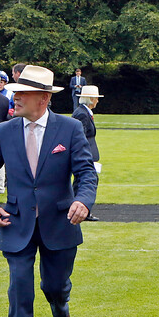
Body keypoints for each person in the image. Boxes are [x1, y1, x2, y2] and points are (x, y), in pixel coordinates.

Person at [0, 65, 98, 317]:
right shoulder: (3, 132)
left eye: (21, 94)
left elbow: (85, 174)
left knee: (54, 286)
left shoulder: (69, 129)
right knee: (19, 289)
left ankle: (60, 312)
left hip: (60, 224)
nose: (13, 98)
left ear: (43, 99)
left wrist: (83, 201)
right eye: (14, 92)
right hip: (16, 225)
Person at [72, 85, 102, 222]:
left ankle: (80, 210)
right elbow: (80, 137)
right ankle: (81, 210)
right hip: (85, 155)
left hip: (89, 154)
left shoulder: (85, 112)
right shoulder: (81, 114)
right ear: (90, 99)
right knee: (85, 181)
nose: (97, 101)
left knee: (84, 181)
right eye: (96, 98)